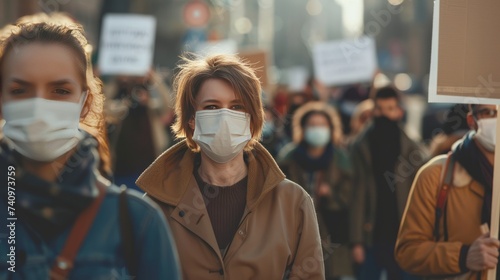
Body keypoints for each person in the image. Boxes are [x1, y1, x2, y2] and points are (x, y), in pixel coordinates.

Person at [0, 13, 180, 279]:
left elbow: (165, 108)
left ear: (85, 103)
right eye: (20, 90)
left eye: (60, 90)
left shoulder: (137, 221)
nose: (39, 106)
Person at [136, 54, 325, 279]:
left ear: (252, 118)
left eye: (236, 106)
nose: (225, 116)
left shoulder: (293, 202)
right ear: (192, 120)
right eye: (212, 106)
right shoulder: (155, 207)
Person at [396, 104, 499, 279]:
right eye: (488, 112)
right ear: (471, 120)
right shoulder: (435, 175)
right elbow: (408, 252)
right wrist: (462, 256)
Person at [349, 86, 427, 280]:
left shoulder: (411, 148)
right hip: (371, 234)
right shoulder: (360, 147)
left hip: (405, 235)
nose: (384, 114)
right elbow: (356, 196)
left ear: (399, 111)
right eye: (379, 109)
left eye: (390, 109)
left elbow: (422, 194)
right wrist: (356, 241)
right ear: (373, 109)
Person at [277, 101, 353, 280]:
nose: (317, 129)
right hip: (294, 233)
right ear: (302, 128)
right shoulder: (288, 158)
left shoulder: (341, 159)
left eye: (322, 125)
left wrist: (331, 194)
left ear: (330, 128)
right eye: (312, 125)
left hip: (332, 233)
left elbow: (351, 197)